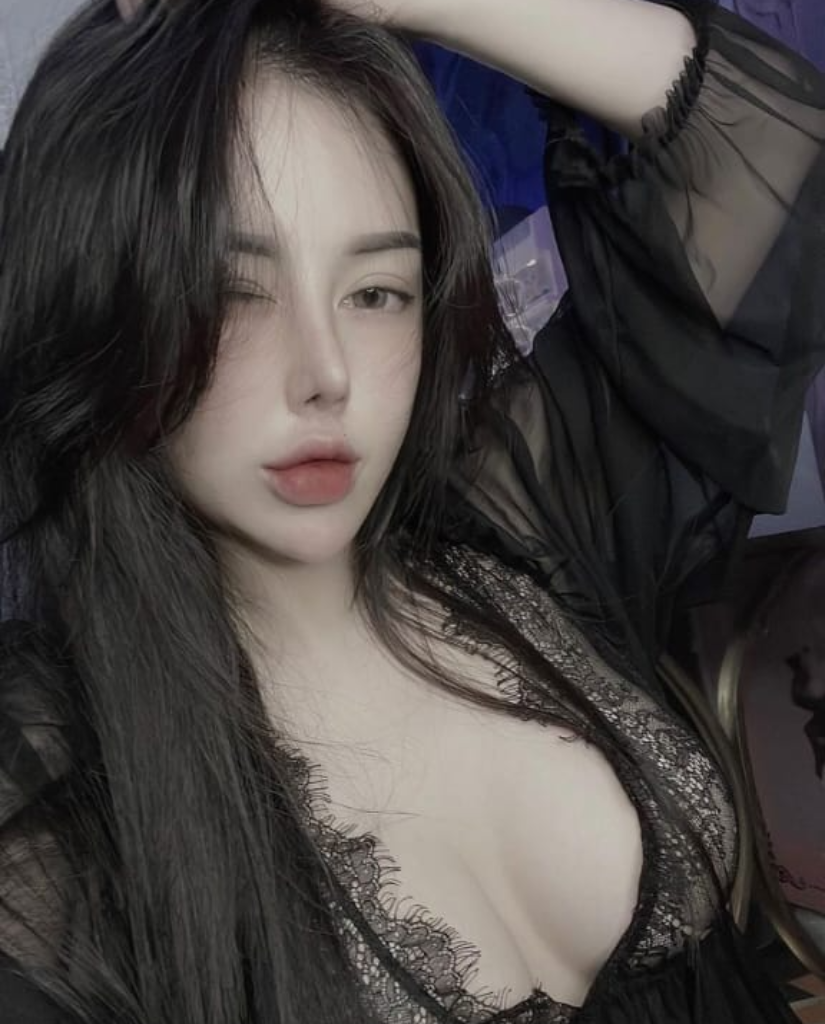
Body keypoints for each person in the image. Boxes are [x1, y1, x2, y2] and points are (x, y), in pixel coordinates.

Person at [0, 0, 823, 1021]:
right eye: (230, 293)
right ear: (96, 308)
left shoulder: (513, 535)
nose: (327, 374)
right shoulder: (52, 801)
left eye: (376, 291)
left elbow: (762, 146)